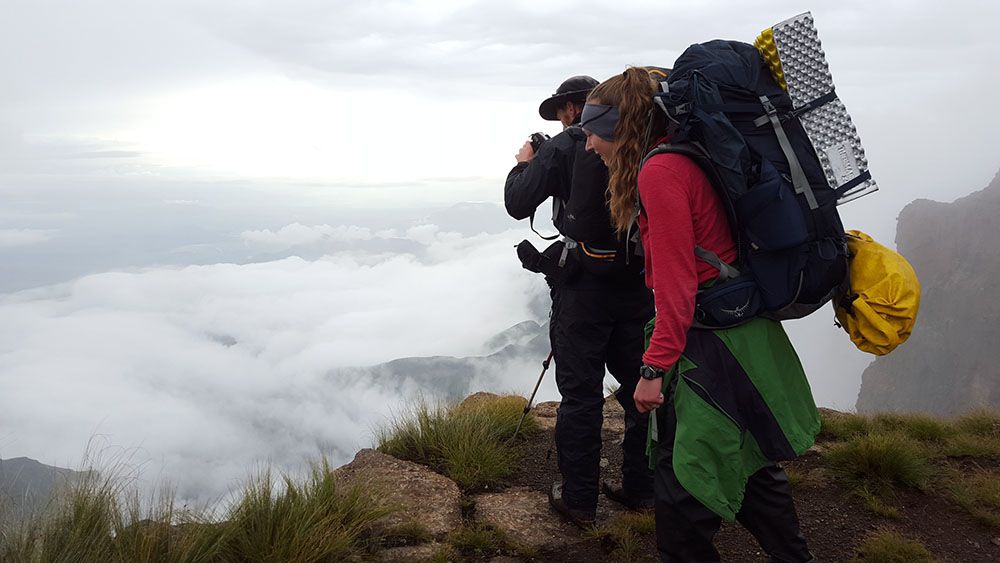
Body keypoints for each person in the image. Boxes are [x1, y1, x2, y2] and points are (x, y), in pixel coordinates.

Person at [582, 68, 818, 562]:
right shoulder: (690, 157)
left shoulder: (658, 173)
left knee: (682, 488)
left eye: (594, 133)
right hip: (743, 335)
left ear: (620, 131)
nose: (589, 146)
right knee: (749, 462)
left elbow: (676, 285)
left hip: (706, 347)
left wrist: (653, 369)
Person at [504, 76, 655, 527]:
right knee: (637, 389)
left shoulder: (567, 145)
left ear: (573, 107)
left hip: (583, 292)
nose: (568, 122)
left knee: (581, 395)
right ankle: (641, 486)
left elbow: (517, 202)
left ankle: (579, 500)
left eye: (562, 112)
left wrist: (523, 163)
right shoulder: (641, 135)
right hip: (638, 285)